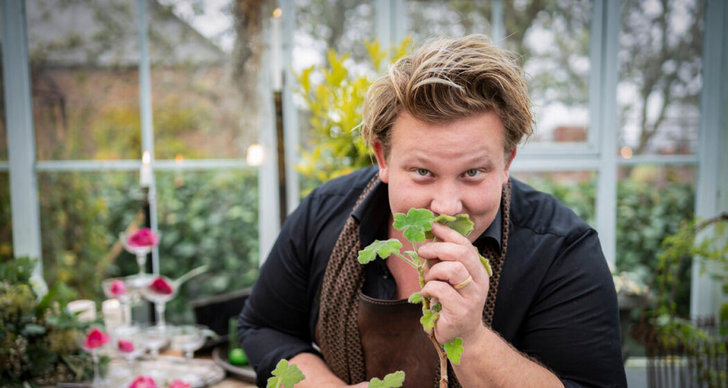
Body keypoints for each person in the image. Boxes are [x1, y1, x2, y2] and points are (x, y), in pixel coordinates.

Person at [239, 34, 626, 388]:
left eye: (473, 172)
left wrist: (470, 338)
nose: (445, 205)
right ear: (383, 158)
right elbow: (264, 327)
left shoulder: (563, 250)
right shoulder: (325, 211)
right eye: (422, 172)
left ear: (507, 162)